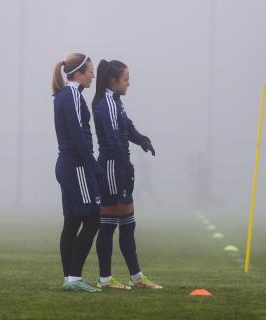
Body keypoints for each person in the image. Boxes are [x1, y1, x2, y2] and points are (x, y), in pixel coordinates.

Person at [91, 59, 162, 289]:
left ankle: (137, 278)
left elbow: (126, 126)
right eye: (126, 79)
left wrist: (141, 139)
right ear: (113, 81)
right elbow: (112, 140)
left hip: (121, 165)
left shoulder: (116, 102)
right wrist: (126, 165)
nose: (129, 83)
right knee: (109, 225)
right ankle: (105, 279)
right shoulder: (106, 103)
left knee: (128, 224)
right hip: (112, 168)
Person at [52, 53, 104, 292]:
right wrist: (94, 168)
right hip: (76, 167)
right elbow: (77, 136)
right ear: (79, 73)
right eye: (90, 70)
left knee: (72, 222)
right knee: (93, 220)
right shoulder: (71, 95)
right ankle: (73, 278)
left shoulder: (66, 95)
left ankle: (69, 279)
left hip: (69, 165)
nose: (93, 75)